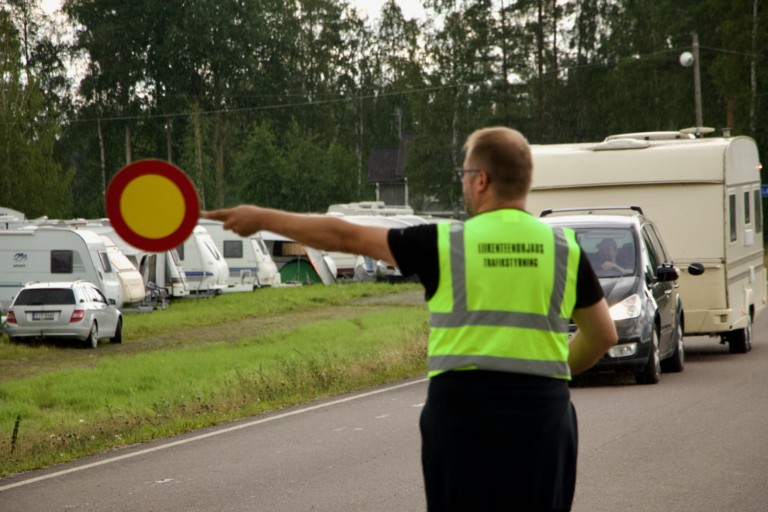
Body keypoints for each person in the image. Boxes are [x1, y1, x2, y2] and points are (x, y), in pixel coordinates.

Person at [202, 126, 617, 511]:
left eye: (464, 173)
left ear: (481, 180)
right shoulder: (564, 248)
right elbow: (603, 335)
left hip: (462, 415)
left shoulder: (444, 243)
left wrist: (263, 219)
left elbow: (343, 235)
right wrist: (553, 367)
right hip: (543, 414)